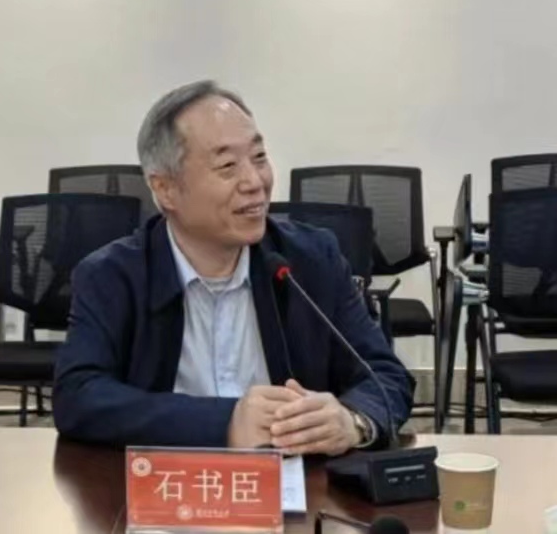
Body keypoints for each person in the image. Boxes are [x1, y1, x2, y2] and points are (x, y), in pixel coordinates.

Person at [53, 80, 414, 455]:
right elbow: (79, 396)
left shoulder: (311, 261)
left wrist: (353, 421)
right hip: (164, 480)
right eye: (227, 166)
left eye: (259, 157)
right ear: (165, 189)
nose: (255, 182)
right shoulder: (112, 275)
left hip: (295, 481)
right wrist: (223, 422)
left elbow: (386, 376)